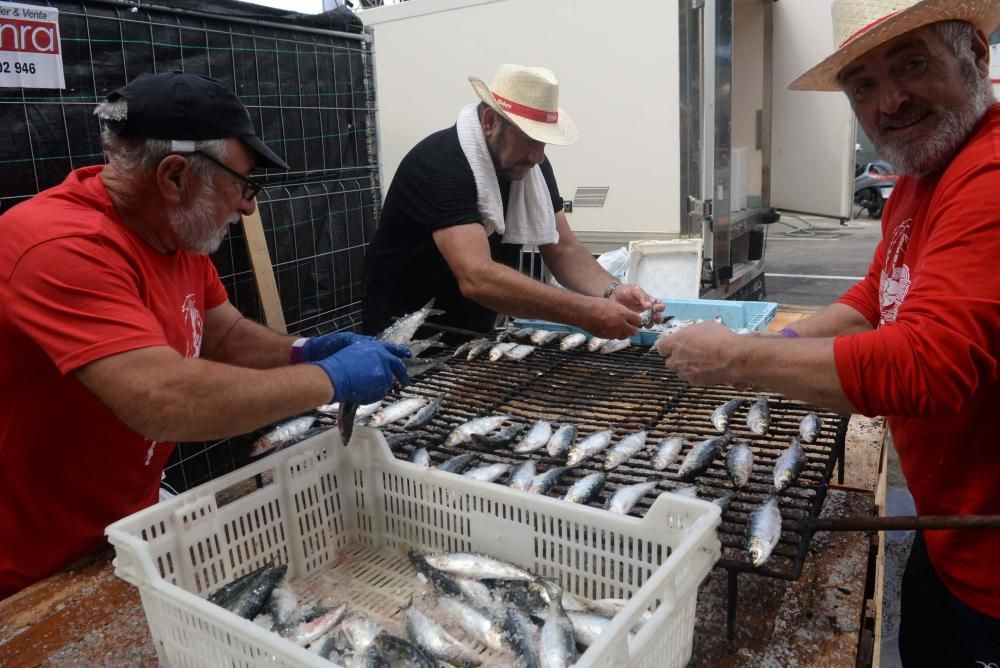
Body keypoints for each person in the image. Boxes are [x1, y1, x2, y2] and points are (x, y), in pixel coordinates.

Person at [657, 1, 1000, 664]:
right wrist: (782, 348)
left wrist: (735, 357)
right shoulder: (921, 177)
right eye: (864, 85)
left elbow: (928, 366)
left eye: (911, 65)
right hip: (949, 531)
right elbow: (878, 293)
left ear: (977, 59)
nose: (890, 100)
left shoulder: (989, 177)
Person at [0, 72, 410, 599]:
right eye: (243, 185)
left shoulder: (174, 234)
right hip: (31, 564)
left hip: (123, 526)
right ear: (174, 176)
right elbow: (164, 398)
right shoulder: (58, 246)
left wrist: (303, 350)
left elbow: (224, 335)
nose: (248, 206)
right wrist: (327, 380)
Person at [363, 64, 663, 340]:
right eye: (530, 139)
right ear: (491, 121)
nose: (538, 156)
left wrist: (612, 291)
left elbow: (563, 249)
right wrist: (583, 311)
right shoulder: (441, 166)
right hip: (403, 336)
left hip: (472, 333)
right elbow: (476, 276)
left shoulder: (532, 165)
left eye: (544, 141)